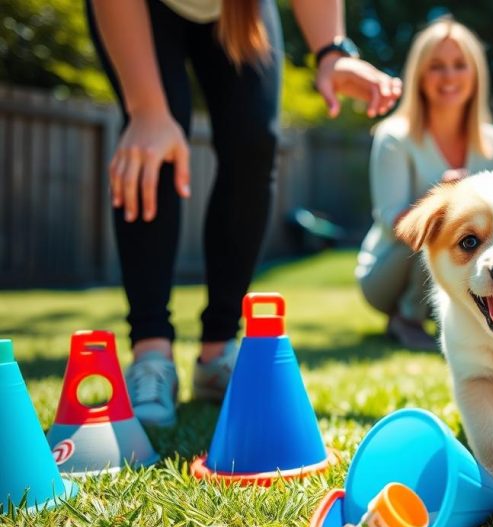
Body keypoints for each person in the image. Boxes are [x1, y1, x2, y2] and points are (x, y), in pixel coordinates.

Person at [88, 0, 401, 426]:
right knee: (155, 149)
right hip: (140, 10)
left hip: (239, 12)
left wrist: (331, 52)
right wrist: (146, 112)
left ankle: (218, 352)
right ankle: (151, 353)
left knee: (254, 143)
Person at [356, 17, 493, 351]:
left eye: (459, 65)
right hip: (387, 274)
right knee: (440, 228)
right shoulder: (394, 137)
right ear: (419, 75)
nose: (449, 77)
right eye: (436, 66)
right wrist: (444, 201)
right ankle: (407, 317)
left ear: (475, 74)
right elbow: (391, 219)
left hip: (463, 271)